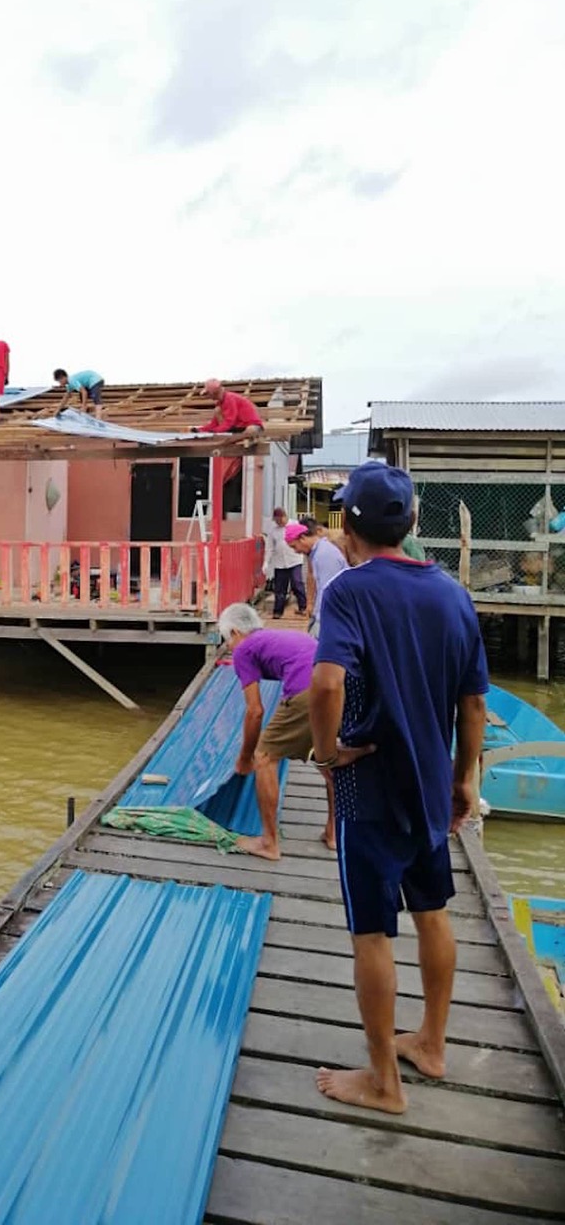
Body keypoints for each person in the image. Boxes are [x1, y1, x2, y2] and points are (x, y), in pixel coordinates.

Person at [309, 461, 488, 1115]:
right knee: (431, 910)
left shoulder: (348, 592)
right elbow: (474, 704)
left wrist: (328, 752)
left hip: (368, 788)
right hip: (431, 785)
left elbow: (325, 682)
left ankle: (384, 1082)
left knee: (371, 933)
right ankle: (432, 1043)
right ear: (410, 521)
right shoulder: (453, 594)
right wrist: (462, 778)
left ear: (348, 527)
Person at [219, 602, 335, 856]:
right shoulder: (272, 638)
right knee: (326, 759)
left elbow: (255, 711)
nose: (228, 647)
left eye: (227, 639)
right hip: (335, 685)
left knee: (264, 757)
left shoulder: (243, 649)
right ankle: (333, 833)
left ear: (236, 632)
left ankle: (269, 843)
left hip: (305, 689)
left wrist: (245, 758)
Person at [286, 518, 348, 637]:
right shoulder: (318, 552)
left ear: (302, 538)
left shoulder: (324, 554)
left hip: (332, 617)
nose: (296, 551)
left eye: (294, 546)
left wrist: (319, 620)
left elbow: (327, 590)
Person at [263, 507, 307, 619]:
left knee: (297, 584)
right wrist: (266, 562)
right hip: (279, 563)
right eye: (276, 520)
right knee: (280, 589)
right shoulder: (273, 531)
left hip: (294, 560)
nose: (278, 522)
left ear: (285, 517)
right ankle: (278, 612)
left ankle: (303, 607)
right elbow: (269, 547)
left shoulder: (295, 525)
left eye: (279, 520)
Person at [190, 380, 264, 436]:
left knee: (250, 430)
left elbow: (229, 422)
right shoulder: (220, 403)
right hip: (239, 427)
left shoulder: (229, 399)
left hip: (252, 427)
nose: (208, 396)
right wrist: (200, 430)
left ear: (214, 393)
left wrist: (213, 432)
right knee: (217, 410)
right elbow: (214, 423)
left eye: (208, 393)